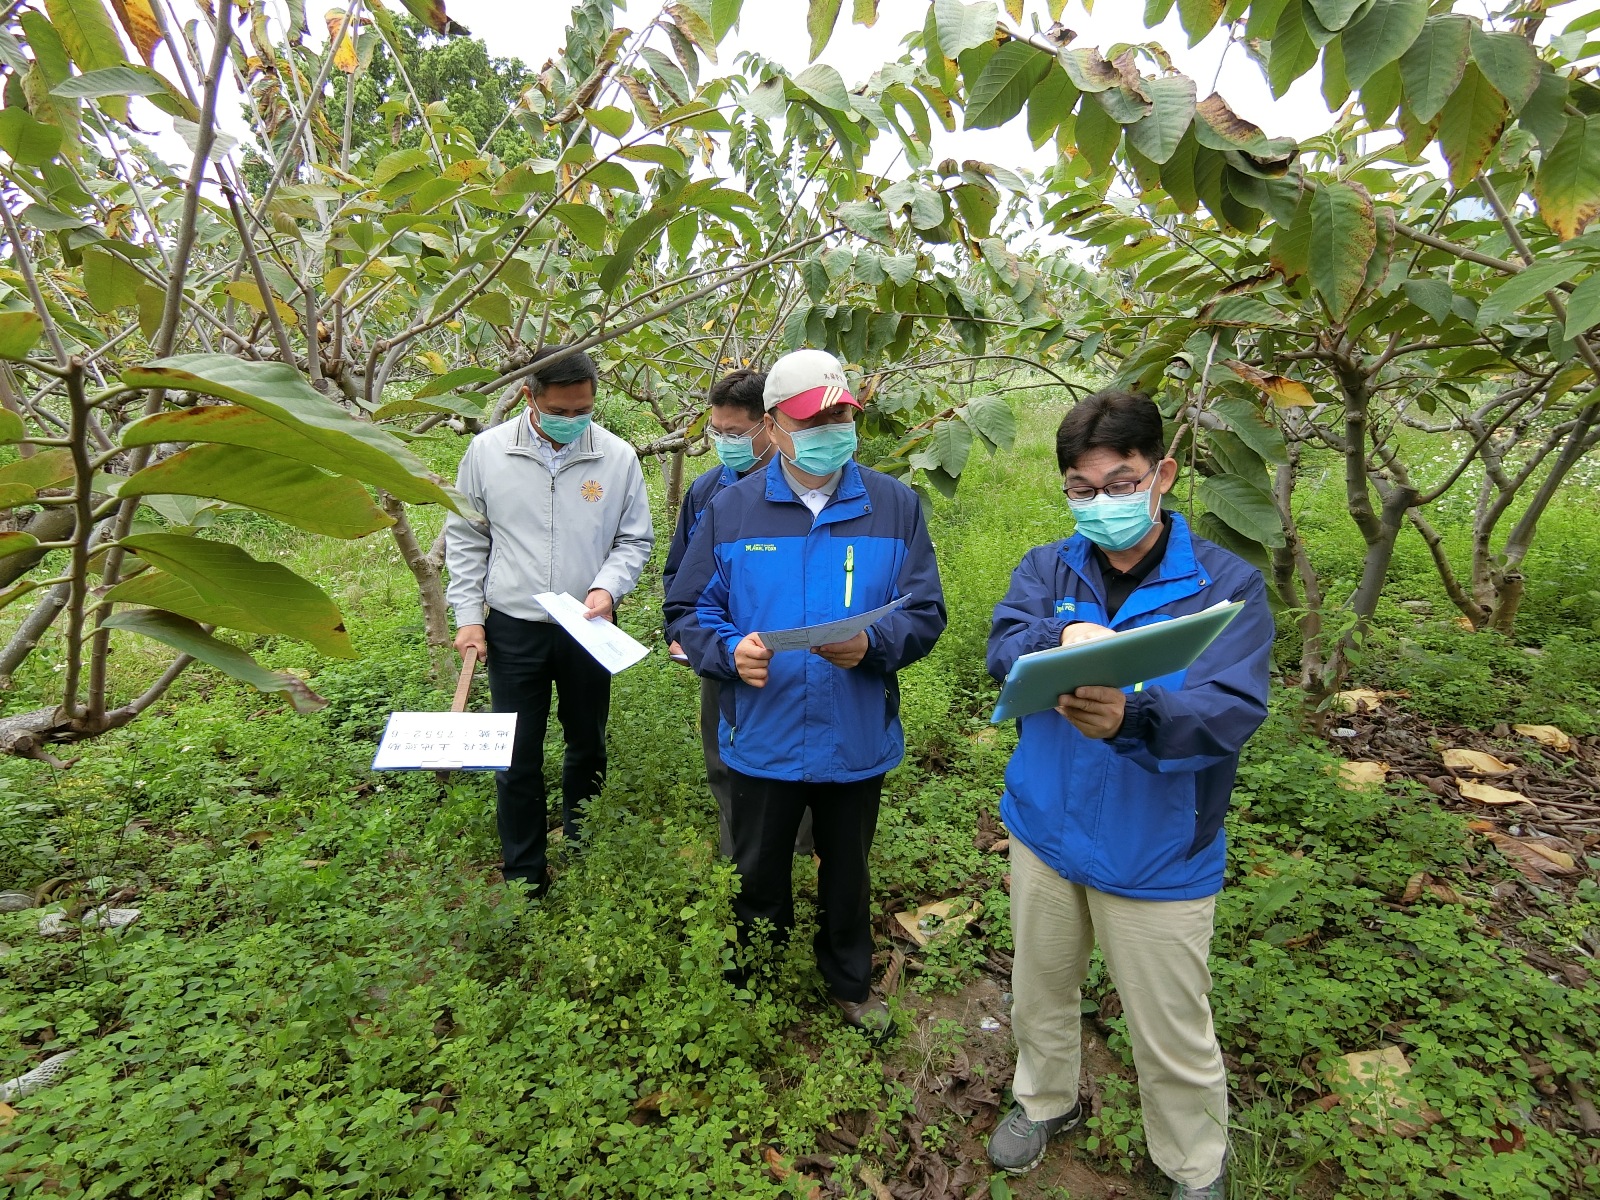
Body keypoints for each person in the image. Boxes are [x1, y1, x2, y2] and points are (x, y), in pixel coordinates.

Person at [983, 390, 1273, 1198]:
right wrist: (1057, 637)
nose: (1100, 503)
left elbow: (1230, 710)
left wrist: (1135, 716)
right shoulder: (1050, 567)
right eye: (1081, 489)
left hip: (1157, 845)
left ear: (1163, 475)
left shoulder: (1226, 586)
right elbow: (1003, 642)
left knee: (1171, 1026)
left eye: (1120, 483)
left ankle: (1192, 1164)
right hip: (1046, 825)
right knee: (1041, 988)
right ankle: (1044, 1101)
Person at [664, 348, 946, 1041]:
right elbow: (689, 610)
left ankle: (849, 980)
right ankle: (757, 973)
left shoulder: (893, 505)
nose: (831, 428)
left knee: (846, 865)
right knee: (758, 868)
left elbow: (925, 611)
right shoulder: (731, 510)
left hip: (855, 731)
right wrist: (729, 652)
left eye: (842, 414)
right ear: (775, 427)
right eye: (812, 418)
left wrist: (874, 646)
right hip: (763, 730)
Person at [444, 346, 654, 896]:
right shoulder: (487, 453)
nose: (573, 420)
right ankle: (525, 875)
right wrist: (469, 616)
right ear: (527, 397)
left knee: (587, 741)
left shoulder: (616, 456)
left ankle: (584, 843)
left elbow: (634, 539)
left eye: (583, 408)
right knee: (516, 754)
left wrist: (608, 586)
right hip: (515, 626)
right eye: (560, 410)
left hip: (588, 625)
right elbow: (468, 539)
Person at [661, 369, 813, 860]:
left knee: (805, 750)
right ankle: (740, 854)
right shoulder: (708, 493)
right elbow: (679, 571)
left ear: (768, 426)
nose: (725, 443)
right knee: (726, 753)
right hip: (724, 649)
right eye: (717, 433)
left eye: (736, 434)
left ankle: (804, 846)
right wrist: (684, 633)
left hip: (796, 647)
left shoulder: (806, 486)